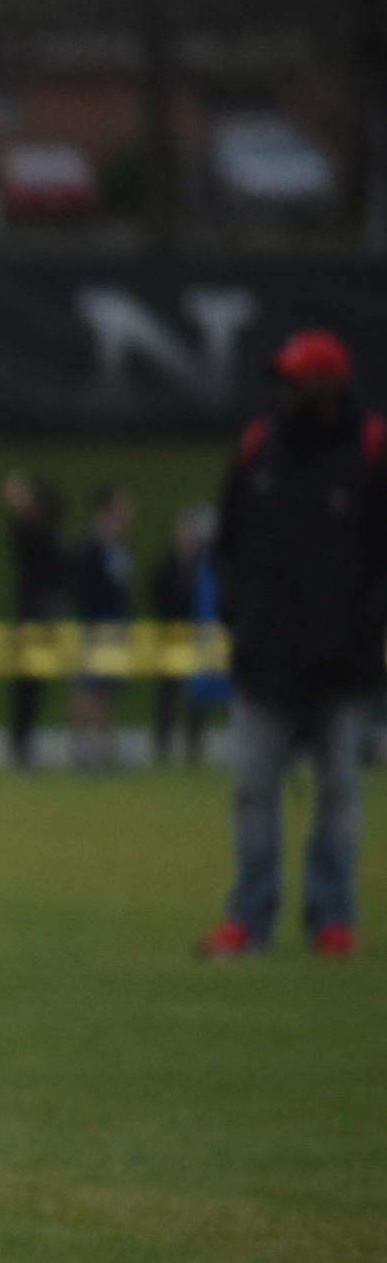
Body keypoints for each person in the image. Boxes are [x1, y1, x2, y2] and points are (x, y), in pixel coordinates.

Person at [196, 329, 387, 960]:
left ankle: (330, 915)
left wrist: (364, 625)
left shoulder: (369, 451)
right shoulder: (259, 449)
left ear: (331, 383)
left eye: (299, 379)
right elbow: (227, 545)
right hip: (264, 655)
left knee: (337, 792)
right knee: (252, 790)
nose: (286, 390)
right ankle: (249, 915)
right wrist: (239, 616)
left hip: (342, 660)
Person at [148, 506, 222, 768]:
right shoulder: (170, 562)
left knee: (197, 695)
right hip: (172, 635)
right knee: (168, 691)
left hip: (196, 636)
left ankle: (194, 746)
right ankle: (162, 745)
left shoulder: (206, 566)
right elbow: (156, 593)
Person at [69, 483, 136, 772]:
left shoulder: (115, 547)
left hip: (114, 623)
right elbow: (84, 588)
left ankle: (105, 748)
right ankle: (86, 747)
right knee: (89, 687)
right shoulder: (92, 547)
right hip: (96, 624)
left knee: (106, 689)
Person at [5, 473, 69, 770]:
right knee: (27, 685)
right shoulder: (33, 534)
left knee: (32, 686)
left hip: (38, 611)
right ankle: (21, 743)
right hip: (34, 613)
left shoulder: (44, 532)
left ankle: (23, 742)